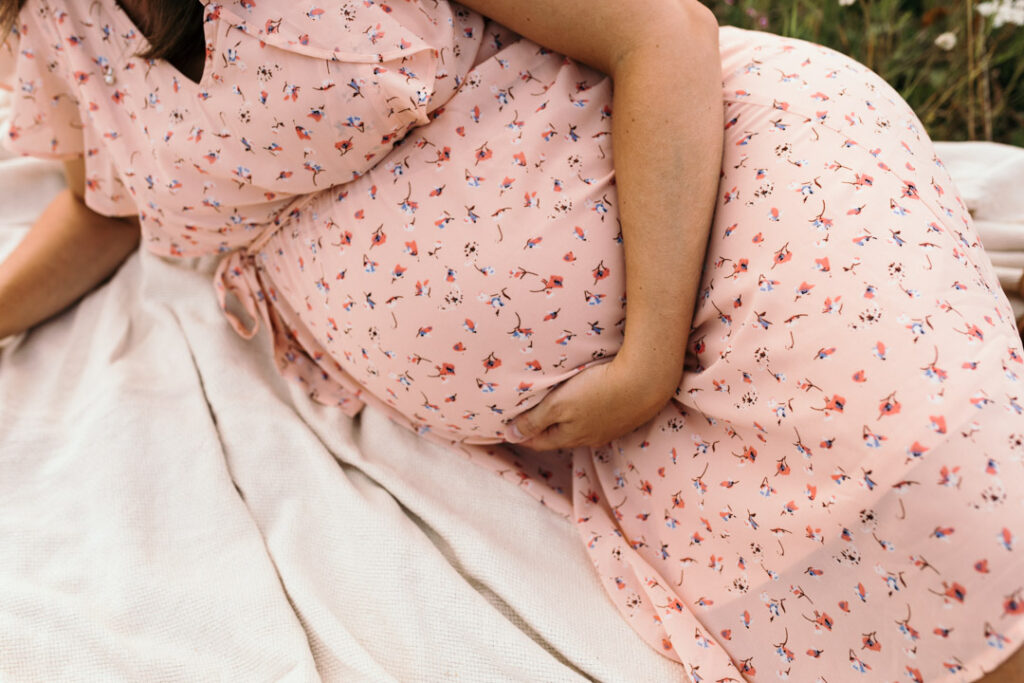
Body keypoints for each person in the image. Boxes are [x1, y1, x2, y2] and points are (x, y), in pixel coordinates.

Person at [1, 0, 1022, 680]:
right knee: (798, 591)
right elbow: (109, 203)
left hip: (720, 204)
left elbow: (660, 33)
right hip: (589, 412)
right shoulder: (62, 23)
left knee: (946, 491)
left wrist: (648, 353)